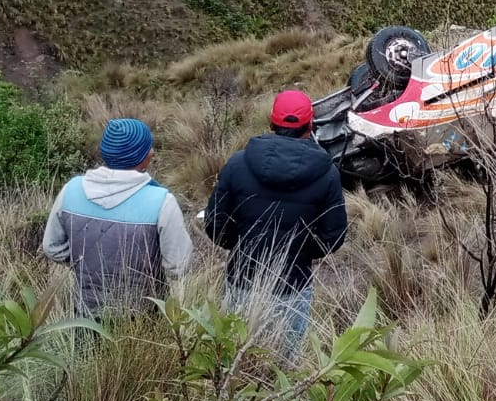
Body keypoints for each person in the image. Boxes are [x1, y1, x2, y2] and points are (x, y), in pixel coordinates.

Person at [204, 90, 347, 357]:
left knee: (235, 361)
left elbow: (214, 223)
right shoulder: (328, 173)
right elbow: (334, 236)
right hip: (293, 285)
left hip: (241, 279)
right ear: (310, 126)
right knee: (285, 365)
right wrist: (300, 253)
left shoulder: (237, 164)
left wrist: (240, 244)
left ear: (272, 123)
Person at [42, 118, 193, 318]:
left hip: (84, 314)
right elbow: (178, 266)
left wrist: (85, 265)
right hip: (144, 315)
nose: (152, 152)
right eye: (148, 148)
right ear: (141, 156)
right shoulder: (162, 201)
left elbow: (52, 247)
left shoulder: (71, 190)